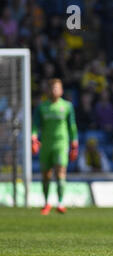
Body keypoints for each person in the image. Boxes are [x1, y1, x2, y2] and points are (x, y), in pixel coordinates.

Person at [31, 79, 78, 215]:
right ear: (48, 90)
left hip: (61, 143)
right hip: (46, 144)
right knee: (46, 174)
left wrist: (74, 142)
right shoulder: (42, 107)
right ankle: (46, 203)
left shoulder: (67, 106)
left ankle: (61, 203)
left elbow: (72, 126)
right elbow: (35, 125)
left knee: (60, 171)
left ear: (61, 90)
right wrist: (33, 138)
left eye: (57, 88)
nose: (54, 90)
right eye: (52, 88)